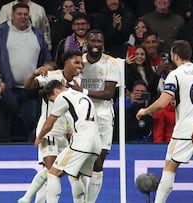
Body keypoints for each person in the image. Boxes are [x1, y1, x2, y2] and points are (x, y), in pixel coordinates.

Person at [136, 40, 193, 203]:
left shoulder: (175, 74)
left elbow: (164, 102)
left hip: (185, 129)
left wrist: (146, 110)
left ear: (175, 55)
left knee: (170, 168)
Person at [18, 50, 84, 203]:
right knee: (52, 171)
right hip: (48, 131)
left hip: (64, 133)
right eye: (77, 62)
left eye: (81, 63)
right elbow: (28, 86)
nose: (80, 66)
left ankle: (28, 199)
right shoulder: (53, 76)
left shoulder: (78, 82)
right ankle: (27, 198)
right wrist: (35, 74)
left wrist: (71, 129)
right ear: (66, 63)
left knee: (54, 172)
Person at [0, 3, 52, 142]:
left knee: (31, 121)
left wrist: (47, 67)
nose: (22, 17)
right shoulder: (0, 32)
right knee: (8, 122)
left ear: (29, 15)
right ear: (12, 15)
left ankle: (29, 153)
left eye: (25, 14)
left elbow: (47, 59)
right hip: (6, 87)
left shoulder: (37, 34)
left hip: (30, 89)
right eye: (19, 14)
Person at [68, 29, 120, 203]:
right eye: (93, 41)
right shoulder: (77, 62)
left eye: (100, 42)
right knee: (81, 161)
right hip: (82, 116)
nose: (96, 45)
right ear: (86, 43)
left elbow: (108, 94)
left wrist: (82, 91)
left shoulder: (111, 63)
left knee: (98, 163)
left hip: (104, 115)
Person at [34, 80, 101, 203]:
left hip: (82, 140)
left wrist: (39, 137)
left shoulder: (62, 96)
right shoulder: (81, 95)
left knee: (53, 173)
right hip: (97, 143)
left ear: (55, 91)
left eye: (52, 100)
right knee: (76, 176)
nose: (54, 102)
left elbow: (50, 122)